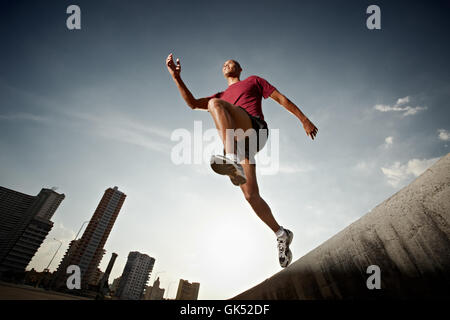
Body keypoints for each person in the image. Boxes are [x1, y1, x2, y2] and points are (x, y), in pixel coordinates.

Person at [165, 53, 318, 268]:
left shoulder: (253, 81)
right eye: (224, 64)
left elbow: (281, 99)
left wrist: (304, 120)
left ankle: (230, 158)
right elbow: (191, 104)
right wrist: (176, 77)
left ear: (240, 68)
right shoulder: (221, 93)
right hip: (241, 146)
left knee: (214, 104)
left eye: (231, 62)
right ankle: (281, 233)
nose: (227, 63)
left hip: (254, 128)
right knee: (250, 195)